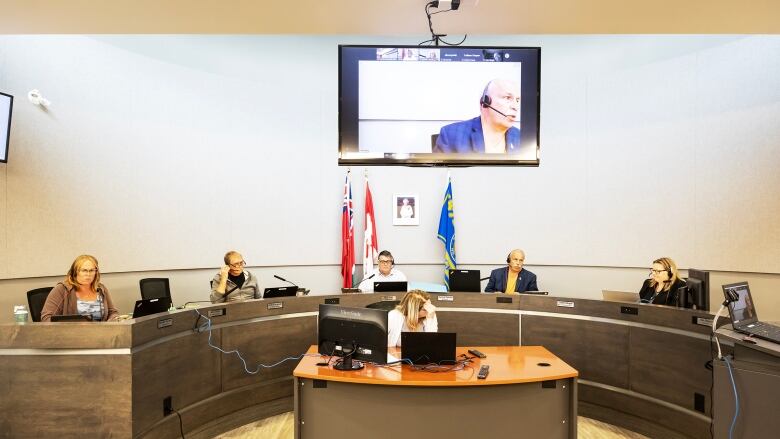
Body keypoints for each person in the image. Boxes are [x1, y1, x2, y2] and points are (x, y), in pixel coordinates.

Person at [434, 78, 521, 154]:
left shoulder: (521, 138)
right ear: (485, 102)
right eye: (507, 98)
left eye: (517, 100)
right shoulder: (451, 135)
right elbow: (440, 172)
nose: (515, 107)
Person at [40, 255, 119, 322]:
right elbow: (46, 318)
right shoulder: (62, 289)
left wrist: (112, 321)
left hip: (100, 334)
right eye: (84, 270)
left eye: (91, 270)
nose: (88, 274)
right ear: (75, 272)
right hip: (71, 336)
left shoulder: (101, 289)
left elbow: (113, 312)